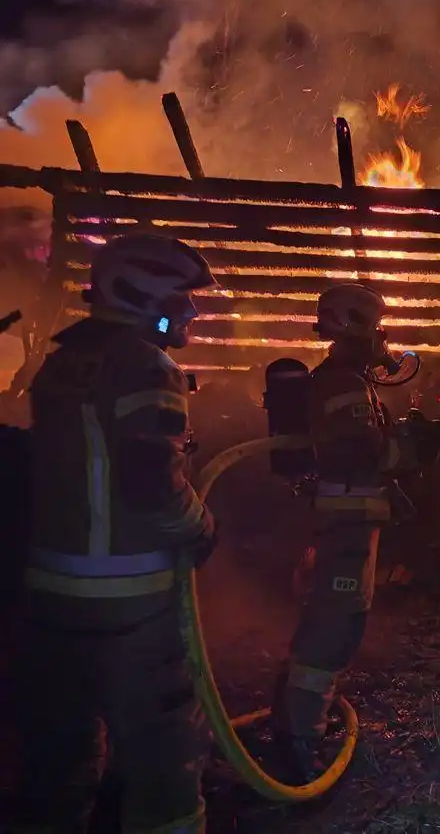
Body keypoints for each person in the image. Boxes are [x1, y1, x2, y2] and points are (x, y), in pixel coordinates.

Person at [14, 233, 219, 834]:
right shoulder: (145, 365)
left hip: (50, 596)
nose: (191, 313)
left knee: (57, 756)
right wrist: (200, 527)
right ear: (140, 297)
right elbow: (150, 478)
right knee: (165, 753)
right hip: (129, 603)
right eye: (180, 301)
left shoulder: (61, 363)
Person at [269, 282, 409, 781]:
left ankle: (295, 719)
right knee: (332, 628)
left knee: (333, 621)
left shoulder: (346, 380)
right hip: (347, 523)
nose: (383, 338)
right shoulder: (344, 384)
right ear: (356, 327)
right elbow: (362, 453)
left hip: (350, 521)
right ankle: (299, 743)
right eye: (377, 327)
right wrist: (414, 443)